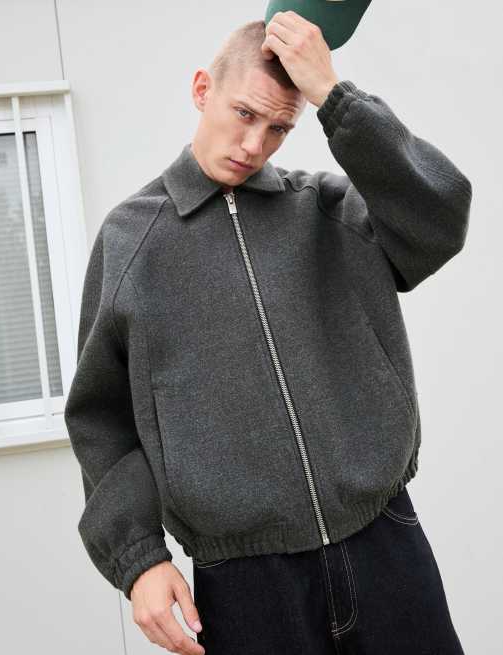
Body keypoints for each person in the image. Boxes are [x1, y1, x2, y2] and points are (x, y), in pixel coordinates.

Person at [64, 11, 472, 655]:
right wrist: (139, 559)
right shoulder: (131, 241)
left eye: (279, 127)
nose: (254, 144)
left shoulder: (328, 209)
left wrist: (335, 97)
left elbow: (441, 215)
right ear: (203, 90)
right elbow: (101, 419)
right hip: (246, 584)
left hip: (385, 545)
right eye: (244, 113)